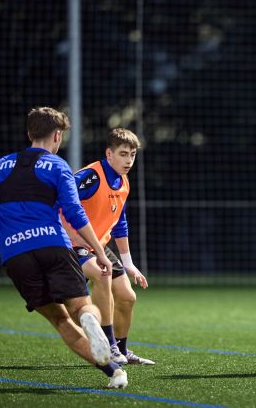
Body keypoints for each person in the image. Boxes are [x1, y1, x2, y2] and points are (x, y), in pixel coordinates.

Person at [0, 107, 128, 388]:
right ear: (57, 135)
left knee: (60, 320)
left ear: (30, 134)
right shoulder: (57, 165)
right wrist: (100, 252)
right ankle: (92, 325)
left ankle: (113, 371)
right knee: (82, 307)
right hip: (53, 245)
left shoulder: (0, 166)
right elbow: (75, 212)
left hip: (15, 254)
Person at [61, 128, 154, 365]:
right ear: (109, 154)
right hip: (71, 243)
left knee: (127, 297)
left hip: (99, 245)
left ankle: (122, 350)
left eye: (132, 154)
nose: (129, 160)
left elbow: (119, 223)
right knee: (103, 273)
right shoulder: (90, 176)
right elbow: (58, 200)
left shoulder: (123, 181)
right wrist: (71, 234)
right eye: (123, 154)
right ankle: (109, 345)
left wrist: (129, 264)